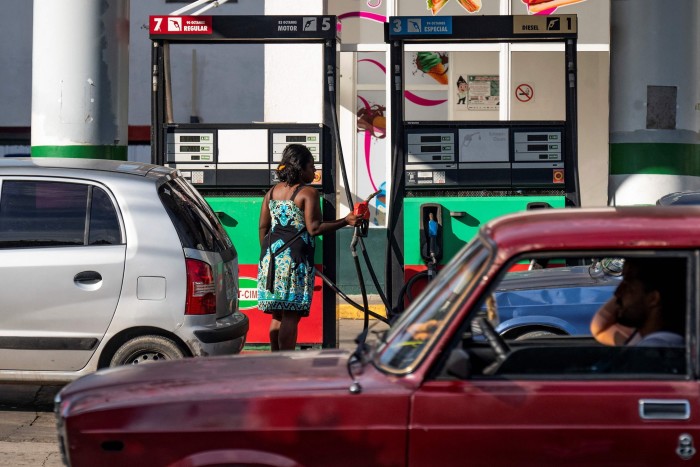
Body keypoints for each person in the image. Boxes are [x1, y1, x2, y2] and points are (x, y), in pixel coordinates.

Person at [257, 144, 360, 351]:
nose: (315, 171)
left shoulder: (272, 192)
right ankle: (286, 362)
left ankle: (275, 359)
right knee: (291, 314)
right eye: (312, 166)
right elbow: (314, 228)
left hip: (270, 258)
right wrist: (346, 221)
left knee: (278, 313)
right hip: (294, 260)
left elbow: (263, 226)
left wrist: (270, 254)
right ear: (300, 167)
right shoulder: (308, 193)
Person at [590, 257, 685, 347]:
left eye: (628, 288)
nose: (616, 293)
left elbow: (601, 327)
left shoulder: (652, 350)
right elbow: (600, 329)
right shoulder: (643, 339)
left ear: (653, 299)